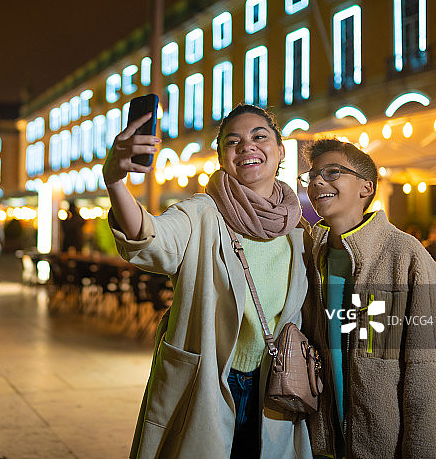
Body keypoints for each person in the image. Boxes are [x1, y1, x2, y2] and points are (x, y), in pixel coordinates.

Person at [104, 103, 312, 458]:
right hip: (209, 381)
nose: (247, 146)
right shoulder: (201, 212)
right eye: (233, 141)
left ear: (280, 151)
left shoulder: (298, 230)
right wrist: (115, 182)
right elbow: (152, 237)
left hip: (273, 385)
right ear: (221, 157)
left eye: (259, 137)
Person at [299, 138, 436, 458]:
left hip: (385, 446)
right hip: (326, 443)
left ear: (366, 188)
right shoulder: (312, 257)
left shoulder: (403, 255)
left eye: (333, 172)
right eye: (311, 175)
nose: (316, 181)